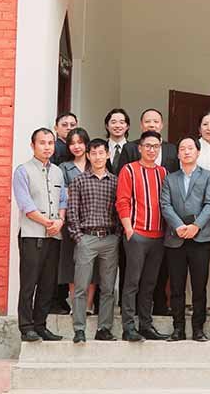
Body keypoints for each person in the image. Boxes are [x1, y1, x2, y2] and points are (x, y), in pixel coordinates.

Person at [159, 136, 210, 342]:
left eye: (190, 148)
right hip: (176, 237)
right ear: (178, 154)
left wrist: (196, 226)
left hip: (200, 237)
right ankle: (178, 329)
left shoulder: (209, 176)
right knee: (176, 287)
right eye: (182, 148)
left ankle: (198, 329)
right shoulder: (170, 178)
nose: (186, 152)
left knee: (199, 286)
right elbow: (165, 205)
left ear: (198, 152)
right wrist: (179, 226)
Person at [13, 128, 67, 342]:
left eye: (50, 143)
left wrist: (60, 221)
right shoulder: (22, 171)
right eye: (42, 143)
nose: (47, 147)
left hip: (54, 236)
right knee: (29, 283)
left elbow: (63, 200)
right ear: (32, 145)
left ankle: (40, 325)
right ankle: (26, 327)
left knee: (48, 284)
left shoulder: (58, 172)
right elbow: (26, 204)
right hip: (32, 235)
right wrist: (47, 223)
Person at [116, 130, 169, 342]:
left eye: (155, 146)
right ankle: (128, 327)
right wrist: (129, 229)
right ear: (139, 148)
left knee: (149, 284)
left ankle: (146, 325)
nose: (151, 150)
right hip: (137, 234)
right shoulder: (129, 170)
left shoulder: (163, 172)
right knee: (132, 282)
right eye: (148, 145)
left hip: (158, 236)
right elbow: (122, 201)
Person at [66, 138, 120, 343]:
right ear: (88, 156)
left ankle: (104, 329)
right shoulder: (79, 181)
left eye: (101, 153)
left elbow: (120, 210)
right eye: (94, 153)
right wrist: (78, 237)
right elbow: (72, 212)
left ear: (107, 155)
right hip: (86, 238)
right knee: (81, 286)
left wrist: (117, 236)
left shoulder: (115, 181)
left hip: (109, 239)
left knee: (108, 288)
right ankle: (79, 329)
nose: (98, 157)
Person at [59, 128, 92, 313]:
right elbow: (64, 194)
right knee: (73, 264)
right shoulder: (64, 167)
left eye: (80, 142)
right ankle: (75, 305)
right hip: (72, 221)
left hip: (94, 221)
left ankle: (88, 305)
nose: (77, 146)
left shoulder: (95, 162)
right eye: (72, 143)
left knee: (93, 265)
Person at [115, 109, 180, 173]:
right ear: (141, 125)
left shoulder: (172, 149)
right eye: (147, 121)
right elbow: (121, 174)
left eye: (156, 122)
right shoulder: (129, 148)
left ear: (161, 125)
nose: (151, 125)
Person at [104, 108, 130, 174]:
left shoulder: (134, 149)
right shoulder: (101, 148)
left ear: (127, 126)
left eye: (122, 122)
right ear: (107, 126)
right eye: (113, 122)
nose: (117, 126)